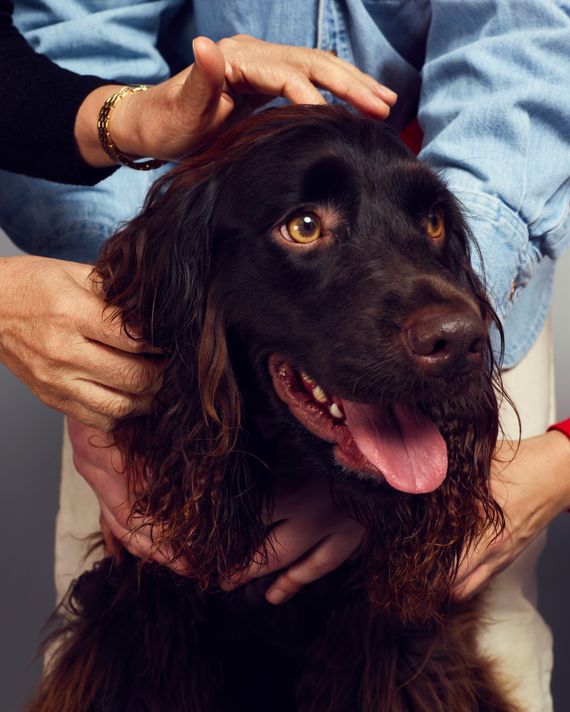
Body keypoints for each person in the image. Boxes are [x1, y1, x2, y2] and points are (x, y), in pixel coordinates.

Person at [4, 2, 570, 710]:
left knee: (479, 632)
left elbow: (523, 37)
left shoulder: (450, 303)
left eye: (425, 220)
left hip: (493, 250)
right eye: (307, 225)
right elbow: (81, 32)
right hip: (175, 318)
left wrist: (464, 268)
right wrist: (134, 318)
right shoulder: (179, 277)